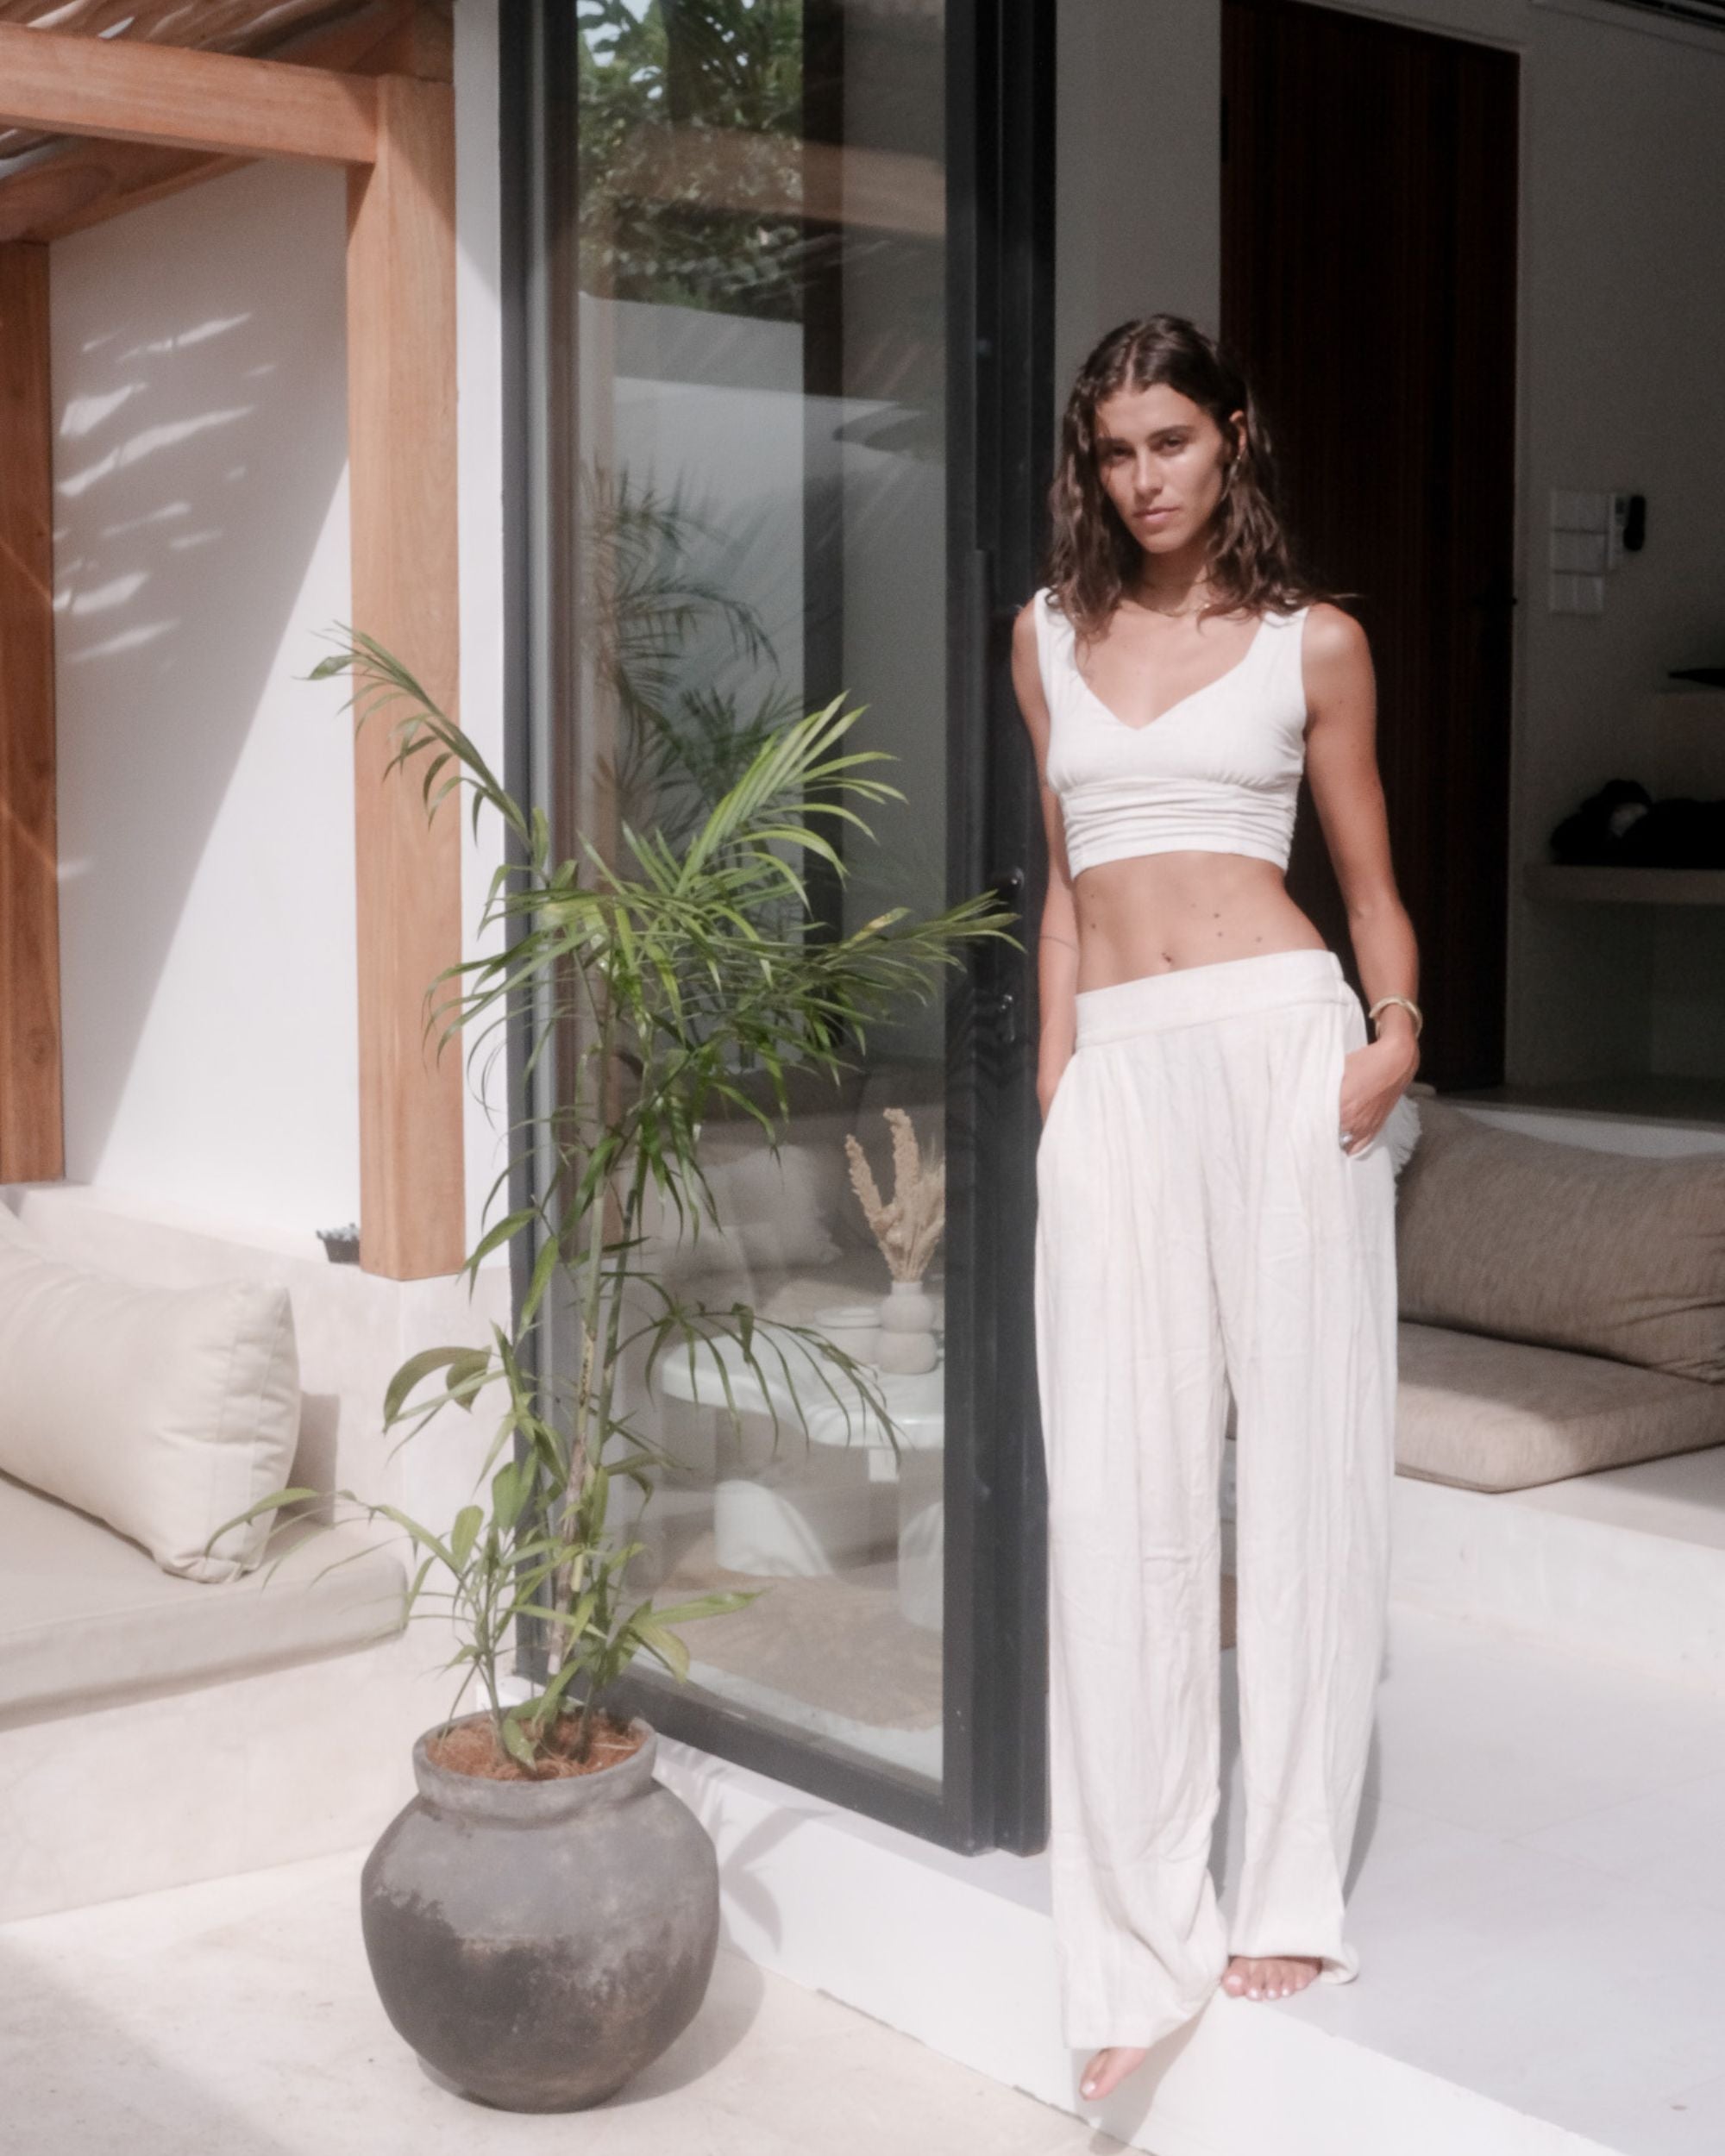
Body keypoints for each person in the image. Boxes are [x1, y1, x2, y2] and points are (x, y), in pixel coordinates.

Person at [1013, 314, 1422, 2109]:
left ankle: (1286, 1886)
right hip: (1119, 1074)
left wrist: (1394, 1034)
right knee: (1118, 1488)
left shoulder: (1311, 643)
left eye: (1170, 440)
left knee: (1303, 1466)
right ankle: (1128, 1927)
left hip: (1280, 1051)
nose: (1142, 477)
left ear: (1234, 438)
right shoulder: (1042, 636)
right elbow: (1059, 878)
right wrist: (1054, 1075)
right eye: (1114, 449)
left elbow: (1366, 876)